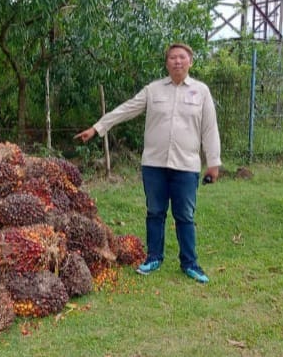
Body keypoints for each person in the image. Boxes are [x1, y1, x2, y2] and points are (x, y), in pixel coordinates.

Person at [74, 42, 221, 283]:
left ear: (190, 62)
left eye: (182, 58)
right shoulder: (153, 90)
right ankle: (154, 257)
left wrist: (213, 163)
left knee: (184, 215)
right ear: (167, 63)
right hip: (154, 164)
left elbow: (210, 129)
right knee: (155, 212)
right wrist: (98, 128)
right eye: (172, 58)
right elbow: (127, 109)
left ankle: (190, 263)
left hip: (186, 166)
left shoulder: (201, 91)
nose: (177, 61)